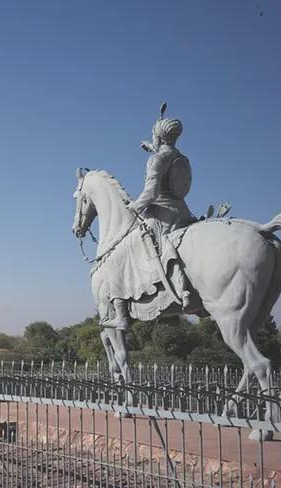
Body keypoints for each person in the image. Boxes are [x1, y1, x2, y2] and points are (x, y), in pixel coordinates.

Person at [100, 103, 194, 331]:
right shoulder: (181, 157)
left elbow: (151, 193)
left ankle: (122, 316)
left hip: (160, 217)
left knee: (119, 257)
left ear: (159, 136)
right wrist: (152, 146)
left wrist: (134, 207)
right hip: (183, 213)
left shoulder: (156, 161)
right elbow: (166, 156)